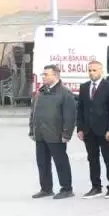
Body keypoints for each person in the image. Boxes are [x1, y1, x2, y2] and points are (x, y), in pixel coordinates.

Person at [29, 64, 77, 200]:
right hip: (40, 134)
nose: (43, 76)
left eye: (46, 74)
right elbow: (33, 113)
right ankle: (46, 188)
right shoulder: (40, 92)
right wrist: (32, 130)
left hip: (56, 135)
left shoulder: (65, 93)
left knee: (60, 162)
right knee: (42, 163)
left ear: (55, 75)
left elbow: (70, 116)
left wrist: (67, 134)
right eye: (43, 74)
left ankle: (67, 189)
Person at [76, 59, 109, 198]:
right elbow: (81, 109)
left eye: (94, 70)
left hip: (104, 130)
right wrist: (80, 128)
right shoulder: (84, 87)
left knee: (108, 158)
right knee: (92, 159)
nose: (91, 72)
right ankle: (96, 187)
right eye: (89, 70)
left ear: (101, 71)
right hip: (89, 130)